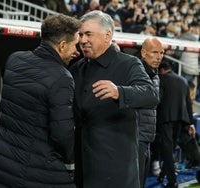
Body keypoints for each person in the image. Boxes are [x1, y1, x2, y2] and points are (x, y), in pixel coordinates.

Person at [0, 14, 81, 187]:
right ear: (62, 46)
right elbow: (62, 135)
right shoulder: (62, 78)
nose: (77, 51)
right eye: (74, 45)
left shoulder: (15, 59)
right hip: (33, 173)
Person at [69, 10, 159, 188]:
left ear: (107, 35)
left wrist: (120, 92)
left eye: (88, 34)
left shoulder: (128, 63)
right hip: (83, 166)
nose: (82, 40)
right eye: (80, 34)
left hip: (116, 169)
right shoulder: (77, 68)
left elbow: (151, 95)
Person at [156, 62, 195, 188]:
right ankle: (162, 175)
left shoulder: (161, 79)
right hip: (180, 119)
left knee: (167, 150)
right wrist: (190, 123)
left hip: (166, 119)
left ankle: (172, 181)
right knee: (170, 149)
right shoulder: (183, 80)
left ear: (161, 70)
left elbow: (158, 100)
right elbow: (189, 103)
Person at [137, 37, 164, 188]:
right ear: (144, 52)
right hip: (135, 137)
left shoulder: (155, 75)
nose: (159, 56)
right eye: (154, 52)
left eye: (161, 53)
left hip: (147, 137)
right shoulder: (134, 71)